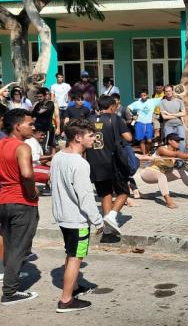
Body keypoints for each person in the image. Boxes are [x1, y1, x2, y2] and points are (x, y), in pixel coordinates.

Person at [50, 118, 104, 312]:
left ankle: (72, 286)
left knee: (71, 253)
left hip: (63, 216)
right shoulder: (80, 164)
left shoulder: (58, 157)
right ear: (77, 137)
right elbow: (86, 197)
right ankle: (66, 300)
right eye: (90, 136)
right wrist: (98, 221)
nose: (93, 139)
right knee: (76, 257)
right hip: (77, 219)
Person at [0, 109, 39, 305]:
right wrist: (32, 192)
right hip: (21, 201)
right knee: (19, 248)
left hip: (4, 200)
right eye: (30, 124)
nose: (33, 127)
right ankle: (9, 292)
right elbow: (26, 174)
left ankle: (9, 278)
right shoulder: (22, 147)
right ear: (17, 126)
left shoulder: (1, 144)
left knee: (9, 245)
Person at [86, 96, 131, 237]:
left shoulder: (90, 120)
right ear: (111, 106)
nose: (117, 107)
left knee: (105, 193)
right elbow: (128, 137)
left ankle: (107, 227)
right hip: (112, 161)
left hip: (94, 161)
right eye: (116, 105)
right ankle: (112, 216)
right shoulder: (115, 118)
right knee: (124, 191)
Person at [140, 133, 188, 208]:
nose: (178, 143)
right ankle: (168, 201)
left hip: (161, 173)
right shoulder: (161, 149)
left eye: (179, 141)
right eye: (176, 141)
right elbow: (176, 154)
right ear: (169, 141)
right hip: (148, 173)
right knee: (162, 176)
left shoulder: (176, 151)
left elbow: (186, 159)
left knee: (181, 172)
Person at [128, 91, 161, 155]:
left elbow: (163, 98)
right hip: (140, 123)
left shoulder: (152, 101)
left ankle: (148, 152)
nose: (143, 97)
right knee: (142, 140)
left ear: (147, 95)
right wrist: (132, 116)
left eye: (144, 95)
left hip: (148, 123)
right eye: (142, 96)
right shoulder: (137, 103)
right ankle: (144, 154)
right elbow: (128, 108)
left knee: (149, 140)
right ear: (140, 96)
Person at [159, 85, 186, 152]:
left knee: (182, 141)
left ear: (172, 91)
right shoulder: (162, 102)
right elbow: (164, 117)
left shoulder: (179, 101)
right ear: (164, 92)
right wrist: (177, 115)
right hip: (168, 126)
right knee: (169, 143)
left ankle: (181, 158)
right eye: (166, 91)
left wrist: (170, 114)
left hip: (179, 125)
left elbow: (184, 113)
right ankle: (171, 159)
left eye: (169, 91)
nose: (168, 93)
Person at [31, 87, 56, 154]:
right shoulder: (38, 105)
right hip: (38, 129)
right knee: (38, 147)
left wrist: (37, 112)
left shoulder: (50, 103)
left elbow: (39, 112)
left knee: (45, 148)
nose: (39, 98)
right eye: (38, 97)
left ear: (45, 96)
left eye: (41, 96)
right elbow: (32, 114)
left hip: (46, 129)